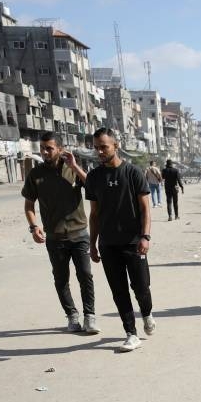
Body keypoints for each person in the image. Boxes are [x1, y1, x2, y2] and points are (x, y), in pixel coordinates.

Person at [22, 131, 100, 335]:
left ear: (60, 149)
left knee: (85, 275)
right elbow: (29, 205)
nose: (45, 152)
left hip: (79, 234)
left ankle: (89, 316)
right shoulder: (35, 174)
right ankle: (72, 316)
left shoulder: (71, 169)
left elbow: (93, 187)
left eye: (49, 148)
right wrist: (33, 226)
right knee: (61, 278)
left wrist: (75, 166)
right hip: (55, 237)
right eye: (42, 148)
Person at [85, 128, 155, 353]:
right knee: (119, 291)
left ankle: (146, 313)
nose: (99, 151)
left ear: (115, 145)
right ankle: (131, 333)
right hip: (108, 244)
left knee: (141, 287)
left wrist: (145, 236)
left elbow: (145, 209)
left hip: (134, 242)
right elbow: (94, 214)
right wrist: (93, 243)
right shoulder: (94, 177)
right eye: (96, 147)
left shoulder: (133, 172)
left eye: (103, 146)